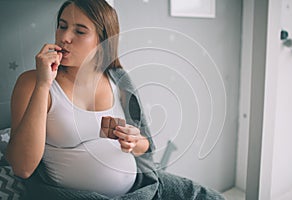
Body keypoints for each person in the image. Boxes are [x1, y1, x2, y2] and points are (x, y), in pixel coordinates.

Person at [6, 0, 224, 199]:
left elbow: (144, 146)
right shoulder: (33, 82)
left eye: (80, 31)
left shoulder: (118, 79)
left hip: (141, 188)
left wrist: (133, 141)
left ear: (102, 40)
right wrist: (44, 84)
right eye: (62, 26)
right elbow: (21, 167)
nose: (65, 37)